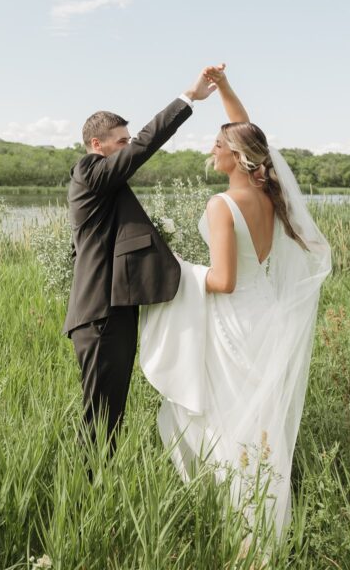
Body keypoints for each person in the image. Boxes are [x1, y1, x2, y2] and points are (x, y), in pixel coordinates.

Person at [139, 66, 331, 536]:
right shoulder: (269, 192)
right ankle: (267, 516)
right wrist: (223, 89)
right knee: (260, 417)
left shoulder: (221, 205)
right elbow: (248, 130)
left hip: (235, 318)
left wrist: (179, 270)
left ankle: (242, 523)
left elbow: (222, 281)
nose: (212, 148)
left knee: (227, 418)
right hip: (265, 312)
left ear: (237, 158)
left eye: (218, 145)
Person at [63, 66, 223, 454]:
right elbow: (144, 147)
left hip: (111, 310)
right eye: (121, 142)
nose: (128, 146)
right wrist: (189, 97)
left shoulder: (104, 189)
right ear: (97, 145)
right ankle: (88, 490)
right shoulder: (89, 171)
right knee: (101, 414)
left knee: (110, 411)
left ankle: (98, 482)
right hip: (100, 314)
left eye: (127, 140)